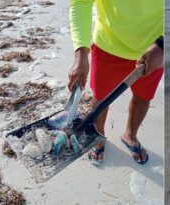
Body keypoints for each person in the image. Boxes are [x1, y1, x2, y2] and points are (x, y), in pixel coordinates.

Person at [68, 1, 164, 164]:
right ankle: (98, 138)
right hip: (108, 46)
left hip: (155, 49)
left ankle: (130, 135)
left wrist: (162, 45)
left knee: (143, 97)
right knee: (100, 99)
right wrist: (81, 54)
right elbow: (81, 3)